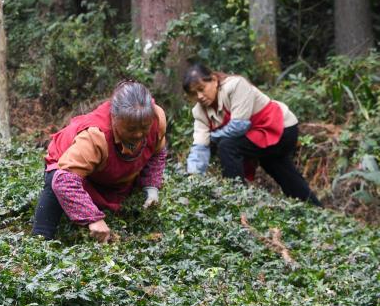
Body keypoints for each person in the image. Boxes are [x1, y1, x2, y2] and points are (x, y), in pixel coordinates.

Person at [31, 81, 167, 242]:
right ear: (115, 118)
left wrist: (151, 188)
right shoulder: (95, 136)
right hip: (66, 165)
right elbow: (64, 181)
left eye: (144, 128)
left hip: (111, 172)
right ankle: (41, 236)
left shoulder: (157, 118)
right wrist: (92, 218)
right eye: (131, 129)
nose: (138, 135)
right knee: (55, 181)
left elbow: (157, 153)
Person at [182, 63, 319, 205]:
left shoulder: (235, 85)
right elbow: (199, 147)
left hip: (281, 128)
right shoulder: (199, 111)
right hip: (258, 136)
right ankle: (316, 209)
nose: (199, 96)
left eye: (201, 89)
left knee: (227, 146)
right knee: (284, 173)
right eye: (193, 94)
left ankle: (236, 201)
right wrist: (193, 180)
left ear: (214, 80)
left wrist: (211, 138)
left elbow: (238, 126)